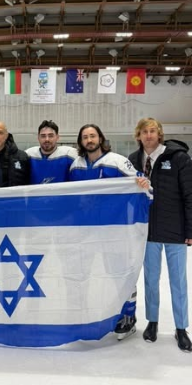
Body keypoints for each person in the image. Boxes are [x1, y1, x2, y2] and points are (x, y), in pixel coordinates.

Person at [69, 123, 149, 340]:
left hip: (114, 231)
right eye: (85, 137)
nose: (89, 140)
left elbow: (142, 183)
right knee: (82, 274)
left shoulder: (118, 161)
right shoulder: (75, 166)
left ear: (100, 138)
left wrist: (143, 183)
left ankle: (128, 317)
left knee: (119, 274)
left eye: (92, 136)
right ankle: (83, 314)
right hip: (85, 232)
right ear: (81, 141)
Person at [129, 118, 192, 352]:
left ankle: (181, 327)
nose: (149, 135)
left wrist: (191, 230)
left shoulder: (179, 158)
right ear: (138, 135)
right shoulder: (133, 160)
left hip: (175, 231)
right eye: (144, 132)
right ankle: (152, 322)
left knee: (178, 281)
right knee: (151, 280)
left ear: (159, 134)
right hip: (148, 231)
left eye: (153, 131)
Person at [25, 120, 77, 184]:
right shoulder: (28, 155)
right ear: (38, 138)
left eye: (51, 136)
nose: (47, 139)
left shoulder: (69, 155)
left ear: (57, 137)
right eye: (43, 136)